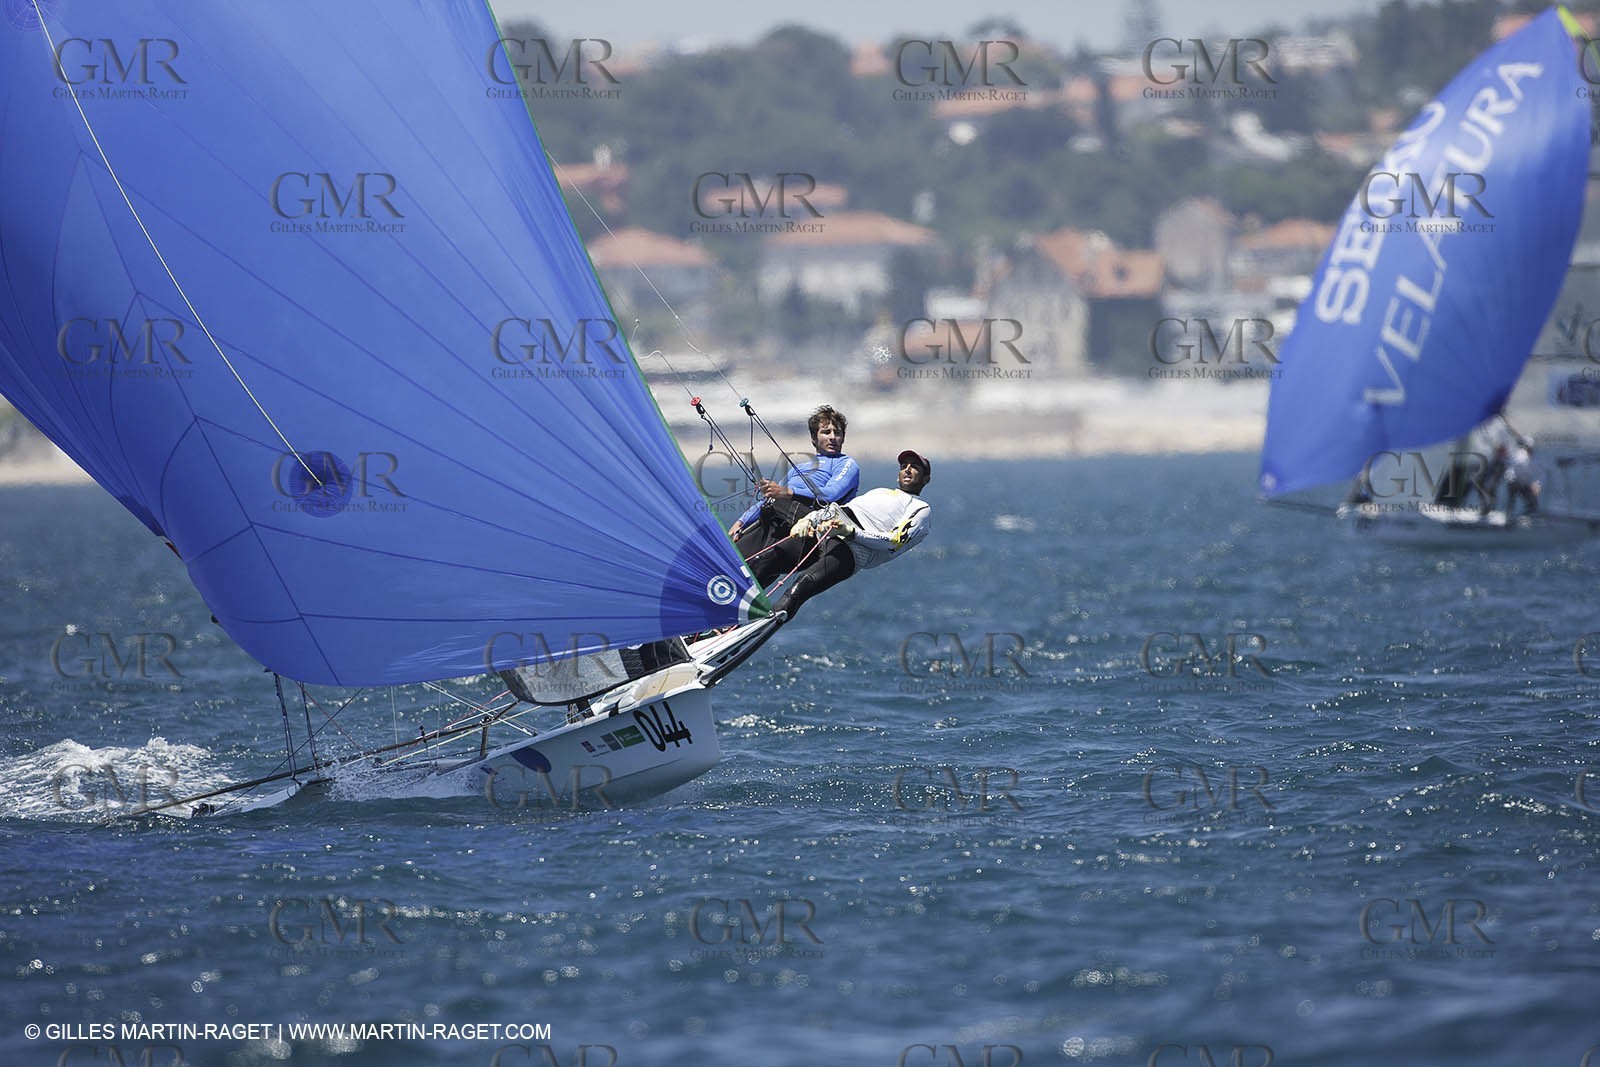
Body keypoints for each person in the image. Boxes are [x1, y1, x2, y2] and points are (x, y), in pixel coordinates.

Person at [751, 449, 932, 618]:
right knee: (764, 561)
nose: (907, 470)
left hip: (852, 550)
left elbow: (894, 541)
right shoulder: (880, 491)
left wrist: (851, 533)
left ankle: (762, 626)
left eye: (914, 467)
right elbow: (840, 510)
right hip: (826, 530)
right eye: (904, 466)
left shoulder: (921, 508)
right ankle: (728, 619)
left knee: (800, 588)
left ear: (926, 479)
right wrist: (810, 519)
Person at [729, 405, 859, 559]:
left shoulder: (846, 463)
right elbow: (770, 497)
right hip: (778, 517)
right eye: (826, 432)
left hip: (814, 520)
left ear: (843, 438)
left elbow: (830, 494)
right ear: (814, 439)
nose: (832, 437)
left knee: (778, 503)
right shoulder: (800, 468)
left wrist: (787, 493)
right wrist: (741, 522)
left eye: (837, 433)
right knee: (734, 554)